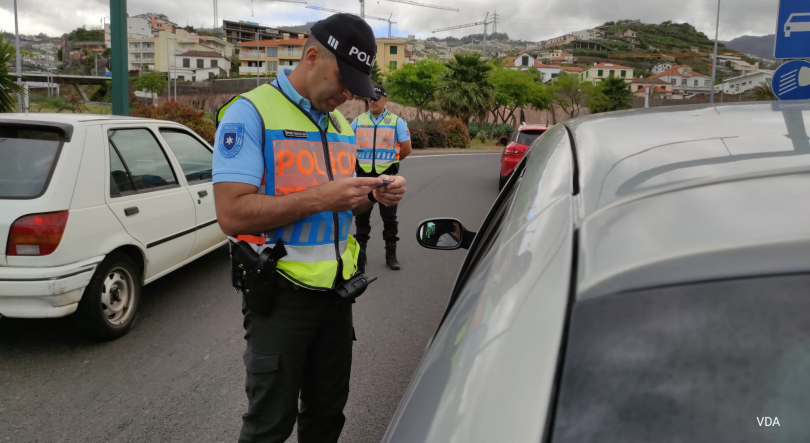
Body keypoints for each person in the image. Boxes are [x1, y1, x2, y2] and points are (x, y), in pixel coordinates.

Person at [212, 14, 406, 443]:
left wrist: (377, 193)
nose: (347, 94)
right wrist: (324, 198)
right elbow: (232, 214)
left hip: (338, 297)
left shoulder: (340, 125)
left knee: (327, 417)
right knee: (269, 425)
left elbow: (343, 197)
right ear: (312, 56)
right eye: (343, 80)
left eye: (356, 85)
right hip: (280, 297)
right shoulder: (249, 114)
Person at [351, 85, 413, 270]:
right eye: (370, 98)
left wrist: (392, 162)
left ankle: (391, 256)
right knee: (361, 218)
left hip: (387, 176)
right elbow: (348, 147)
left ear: (385, 100)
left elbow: (406, 148)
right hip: (363, 176)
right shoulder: (358, 121)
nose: (372, 101)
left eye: (376, 98)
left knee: (389, 218)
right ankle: (360, 256)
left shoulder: (396, 122)